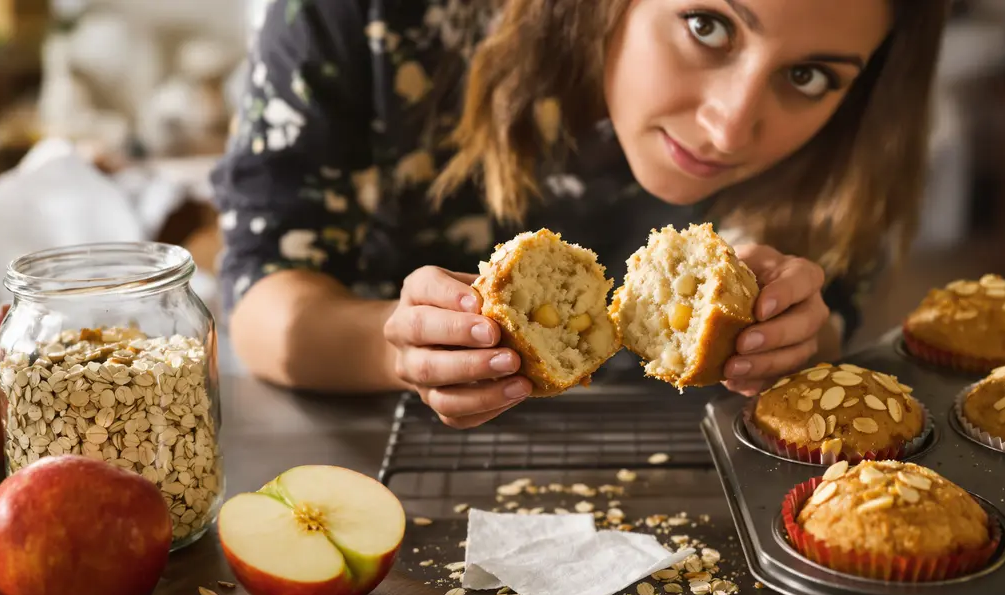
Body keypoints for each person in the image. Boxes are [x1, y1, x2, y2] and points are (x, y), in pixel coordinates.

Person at [210, 0, 948, 428]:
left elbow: (831, 319)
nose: (729, 127)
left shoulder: (855, 138)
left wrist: (796, 335)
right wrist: (395, 350)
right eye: (708, 26)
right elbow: (262, 295)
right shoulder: (369, 16)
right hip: (374, 464)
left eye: (808, 76)